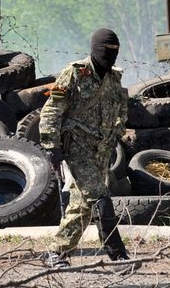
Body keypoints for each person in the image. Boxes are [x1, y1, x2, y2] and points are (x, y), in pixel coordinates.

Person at [39, 28, 142, 275]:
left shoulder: (114, 77)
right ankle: (118, 255)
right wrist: (52, 146)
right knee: (100, 198)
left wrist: (119, 132)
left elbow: (120, 109)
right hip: (78, 147)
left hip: (102, 149)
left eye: (115, 51)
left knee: (82, 205)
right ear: (95, 49)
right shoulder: (74, 73)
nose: (110, 55)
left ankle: (56, 253)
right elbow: (51, 111)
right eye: (106, 50)